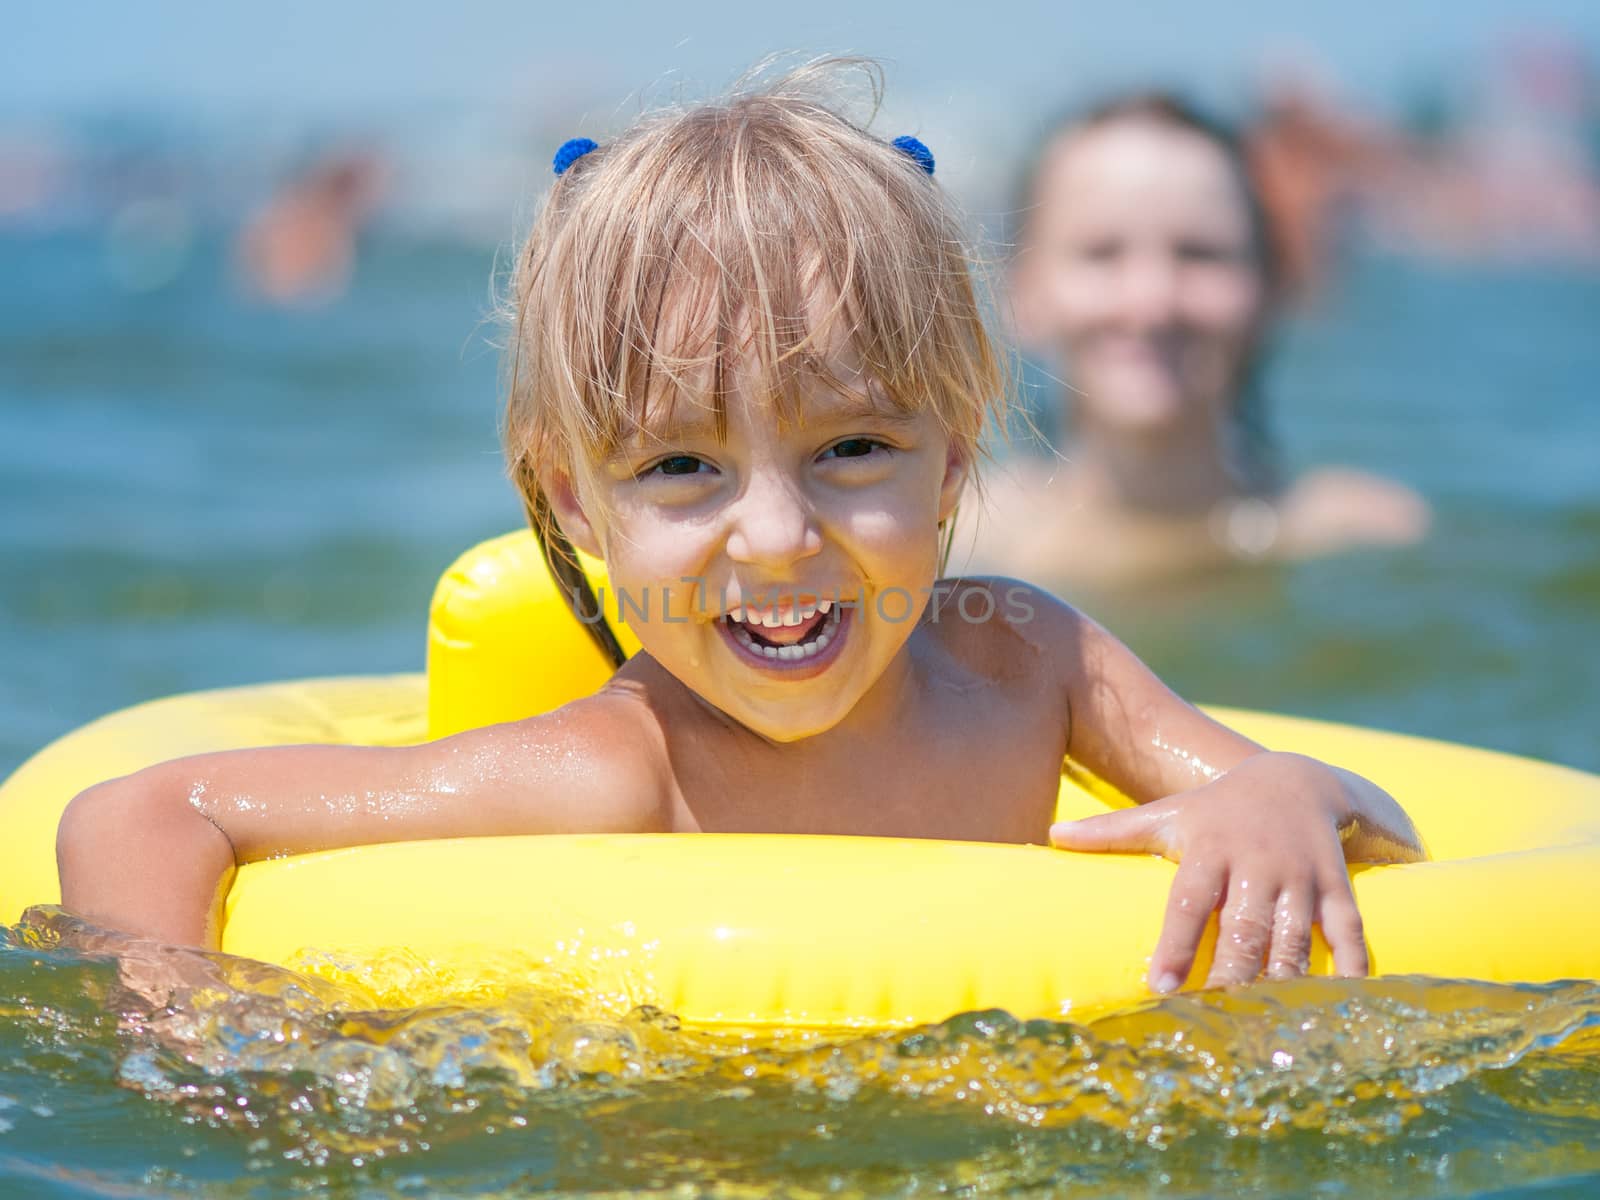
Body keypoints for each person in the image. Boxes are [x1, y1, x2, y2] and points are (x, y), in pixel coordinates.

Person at [56, 63, 1422, 999]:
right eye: (679, 467)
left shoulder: (1031, 667)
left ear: (954, 459)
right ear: (579, 502)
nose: (775, 538)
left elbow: (1364, 822)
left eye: (850, 449)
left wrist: (1281, 790)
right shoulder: (602, 774)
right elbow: (141, 815)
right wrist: (200, 1041)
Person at [967, 93, 1429, 589]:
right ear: (1020, 290)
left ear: (1271, 286)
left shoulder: (1366, 535)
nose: (1151, 302)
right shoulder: (958, 543)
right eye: (1102, 254)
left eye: (1200, 254)